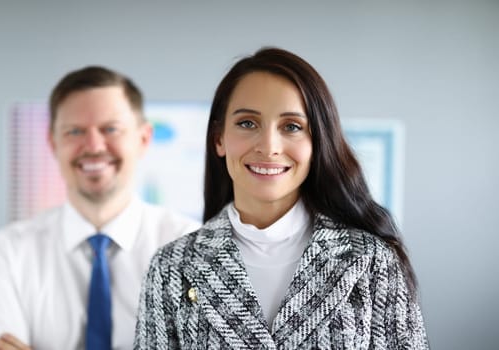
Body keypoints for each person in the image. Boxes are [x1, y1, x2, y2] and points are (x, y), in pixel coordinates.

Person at [134, 48, 429, 349]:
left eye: (291, 127)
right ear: (219, 138)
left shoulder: (371, 261)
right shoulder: (172, 267)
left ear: (317, 142)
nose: (269, 146)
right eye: (247, 123)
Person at [0, 66, 200, 349]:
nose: (94, 145)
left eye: (110, 129)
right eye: (74, 131)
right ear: (53, 143)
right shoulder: (7, 253)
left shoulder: (191, 249)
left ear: (143, 139)